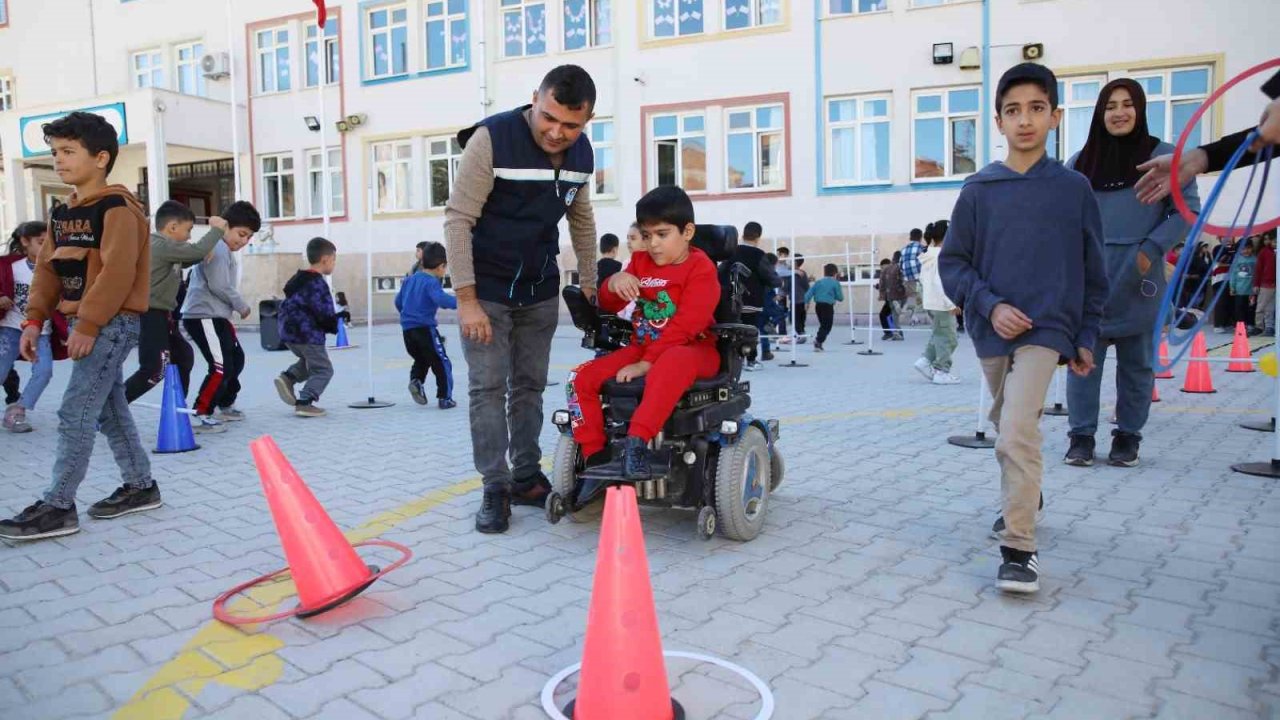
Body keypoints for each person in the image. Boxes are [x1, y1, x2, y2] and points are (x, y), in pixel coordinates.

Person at [940, 63, 1108, 595]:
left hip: (1048, 330)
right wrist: (989, 306)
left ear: (1055, 116)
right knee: (1005, 423)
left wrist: (1084, 336)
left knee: (1016, 431)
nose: (1025, 120)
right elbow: (954, 265)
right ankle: (1026, 493)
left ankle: (1019, 548)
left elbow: (1093, 270)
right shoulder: (979, 190)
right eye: (1013, 111)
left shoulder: (1074, 189)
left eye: (1037, 108)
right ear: (998, 121)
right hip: (992, 331)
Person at [445, 64, 599, 533]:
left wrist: (589, 284)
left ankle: (527, 476)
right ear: (535, 99)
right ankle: (495, 485)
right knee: (487, 388)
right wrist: (466, 300)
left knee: (530, 387)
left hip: (538, 287)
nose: (556, 132)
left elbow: (582, 219)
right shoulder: (491, 139)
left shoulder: (581, 154)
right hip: (487, 289)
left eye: (571, 125)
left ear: (586, 121)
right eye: (549, 117)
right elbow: (457, 221)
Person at [0, 112, 162, 541]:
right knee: (107, 408)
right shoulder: (61, 213)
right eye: (55, 152)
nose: (58, 160)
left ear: (101, 158)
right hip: (84, 324)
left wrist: (88, 325)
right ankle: (141, 486)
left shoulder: (119, 209)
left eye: (69, 151)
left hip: (111, 324)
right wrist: (33, 320)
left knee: (76, 410)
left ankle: (58, 506)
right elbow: (47, 274)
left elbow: (117, 274)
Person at [1062, 78, 1198, 468]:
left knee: (1138, 365)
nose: (1119, 112)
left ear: (1140, 109)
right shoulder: (1080, 164)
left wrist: (1150, 249)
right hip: (1091, 280)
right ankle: (1081, 436)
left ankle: (1128, 436)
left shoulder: (1163, 156)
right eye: (1110, 106)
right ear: (1098, 113)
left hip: (1142, 277)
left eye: (1127, 104)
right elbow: (1065, 221)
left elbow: (1186, 208)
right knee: (1083, 362)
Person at [567, 186, 719, 479]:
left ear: (687, 232)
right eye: (647, 236)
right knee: (579, 378)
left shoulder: (701, 268)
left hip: (694, 350)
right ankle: (595, 457)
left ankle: (636, 443)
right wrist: (613, 283)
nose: (653, 245)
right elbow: (609, 304)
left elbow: (687, 326)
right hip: (643, 346)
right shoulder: (640, 263)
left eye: (662, 234)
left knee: (672, 359)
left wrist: (646, 363)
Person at [124, 201, 225, 404]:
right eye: (188, 230)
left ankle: (176, 410)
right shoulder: (159, 244)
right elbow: (194, 251)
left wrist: (203, 252)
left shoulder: (165, 248)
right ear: (172, 227)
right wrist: (217, 229)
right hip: (149, 314)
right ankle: (110, 411)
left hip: (162, 315)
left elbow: (190, 257)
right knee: (154, 370)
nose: (189, 236)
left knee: (183, 356)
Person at [182, 201, 259, 431]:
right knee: (220, 365)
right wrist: (241, 305)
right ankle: (202, 412)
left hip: (217, 316)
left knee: (236, 359)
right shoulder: (217, 247)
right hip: (203, 315)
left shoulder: (224, 249)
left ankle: (224, 403)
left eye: (248, 238)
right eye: (241, 234)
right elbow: (219, 285)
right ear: (226, 227)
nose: (243, 241)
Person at [1, 221, 67, 433]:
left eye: (50, 243)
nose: (47, 247)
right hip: (11, 329)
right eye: (41, 242)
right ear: (25, 242)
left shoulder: (57, 269)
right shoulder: (8, 266)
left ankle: (17, 410)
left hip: (42, 332)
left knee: (44, 372)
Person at [274, 237, 339, 418]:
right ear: (325, 259)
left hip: (288, 333)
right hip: (307, 334)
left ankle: (288, 378)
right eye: (334, 260)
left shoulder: (298, 280)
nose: (334, 264)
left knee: (309, 361)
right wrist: (332, 325)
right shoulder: (317, 283)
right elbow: (324, 310)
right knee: (324, 369)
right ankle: (305, 401)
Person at [395, 241, 457, 409]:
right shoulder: (431, 282)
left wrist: (407, 315)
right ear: (441, 266)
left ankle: (416, 381)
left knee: (422, 358)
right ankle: (445, 398)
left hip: (407, 330)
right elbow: (441, 299)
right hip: (425, 329)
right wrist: (462, 302)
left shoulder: (410, 280)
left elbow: (398, 301)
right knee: (441, 361)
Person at [916, 219, 961, 385]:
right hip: (942, 304)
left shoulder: (929, 255)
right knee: (948, 339)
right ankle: (941, 371)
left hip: (932, 302)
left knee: (939, 335)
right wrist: (951, 304)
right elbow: (941, 282)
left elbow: (923, 280)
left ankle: (925, 361)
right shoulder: (941, 257)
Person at [731, 220, 780, 369]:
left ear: (743, 234)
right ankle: (751, 360)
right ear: (758, 237)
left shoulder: (731, 251)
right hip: (752, 300)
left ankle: (733, 361)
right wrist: (778, 282)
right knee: (751, 331)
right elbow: (770, 277)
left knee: (733, 331)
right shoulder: (759, 254)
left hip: (731, 299)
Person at [804, 263, 844, 351]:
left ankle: (819, 342)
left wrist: (806, 303)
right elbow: (840, 298)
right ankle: (818, 341)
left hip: (818, 306)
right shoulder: (835, 283)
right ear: (835, 273)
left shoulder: (818, 282)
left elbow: (808, 295)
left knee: (823, 325)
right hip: (828, 306)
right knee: (827, 326)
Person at [1230, 239, 1258, 331]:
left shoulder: (1255, 259)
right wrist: (1232, 287)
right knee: (1239, 308)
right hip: (1239, 290)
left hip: (1251, 290)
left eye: (1248, 248)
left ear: (1252, 248)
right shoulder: (1237, 259)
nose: (1246, 251)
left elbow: (1257, 273)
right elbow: (1233, 274)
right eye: (1243, 249)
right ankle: (1240, 326)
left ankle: (1250, 324)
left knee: (1251, 308)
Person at [899, 227, 925, 325]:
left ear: (910, 237)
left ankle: (911, 313)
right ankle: (935, 322)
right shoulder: (921, 248)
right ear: (920, 237)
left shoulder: (903, 249)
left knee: (912, 297)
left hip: (908, 278)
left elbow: (900, 264)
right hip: (920, 276)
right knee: (927, 298)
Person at [878, 252, 907, 340]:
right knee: (892, 315)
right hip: (897, 296)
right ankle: (896, 333)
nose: (883, 269)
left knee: (884, 314)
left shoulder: (889, 270)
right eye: (882, 268)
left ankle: (889, 333)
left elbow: (885, 285)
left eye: (883, 267)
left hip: (892, 297)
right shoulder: (900, 268)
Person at [1254, 231, 1277, 337]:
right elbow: (1258, 269)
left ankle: (1270, 327)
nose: (1274, 243)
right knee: (1262, 306)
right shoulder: (1264, 252)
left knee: (1271, 307)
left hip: (1276, 283)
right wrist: (1256, 284)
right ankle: (1259, 326)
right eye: (1273, 241)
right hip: (1266, 283)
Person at [787, 254, 811, 342]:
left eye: (791, 261)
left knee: (796, 319)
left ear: (796, 262)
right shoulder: (790, 273)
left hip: (799, 300)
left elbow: (806, 287)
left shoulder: (801, 273)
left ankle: (801, 334)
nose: (789, 262)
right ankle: (801, 334)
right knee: (796, 319)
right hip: (795, 300)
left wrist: (807, 302)